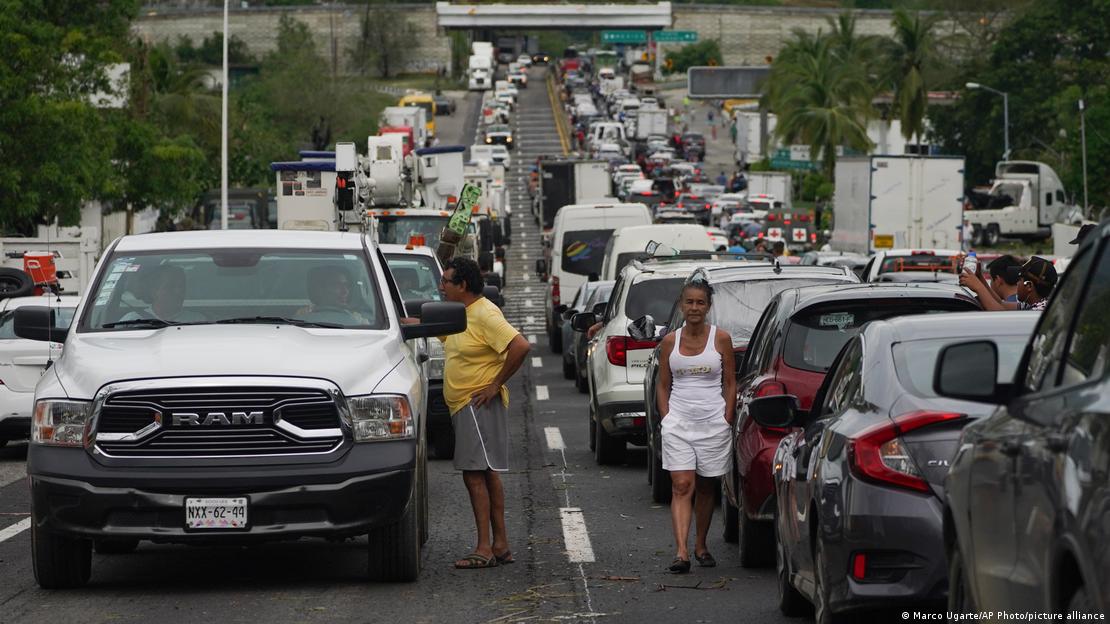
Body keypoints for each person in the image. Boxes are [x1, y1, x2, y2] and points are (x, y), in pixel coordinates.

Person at [439, 257, 531, 570]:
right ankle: (500, 544)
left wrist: (495, 385)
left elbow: (520, 346)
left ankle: (484, 547)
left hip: (476, 403)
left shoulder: (484, 313)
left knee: (475, 474)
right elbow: (439, 333)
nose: (442, 287)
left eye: (446, 281)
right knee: (486, 471)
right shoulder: (460, 314)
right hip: (464, 405)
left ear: (462, 285)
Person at [655, 276, 736, 573]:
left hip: (713, 425)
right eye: (689, 302)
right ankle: (681, 553)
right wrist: (667, 418)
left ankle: (701, 545)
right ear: (681, 305)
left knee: (705, 486)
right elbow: (663, 385)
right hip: (678, 424)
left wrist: (726, 417)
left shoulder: (721, 339)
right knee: (681, 484)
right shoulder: (669, 342)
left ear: (708, 306)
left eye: (700, 302)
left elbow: (730, 383)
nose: (694, 307)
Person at [121, 264, 206, 323]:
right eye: (171, 287)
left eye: (181, 286)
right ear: (154, 291)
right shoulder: (131, 321)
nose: (178, 291)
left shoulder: (198, 321)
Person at [295, 266, 370, 324]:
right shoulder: (301, 318)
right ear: (322, 290)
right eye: (337, 286)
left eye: (346, 285)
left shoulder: (358, 320)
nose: (345, 291)